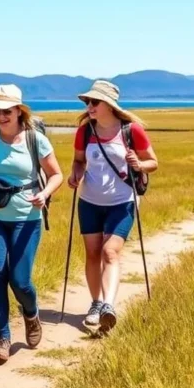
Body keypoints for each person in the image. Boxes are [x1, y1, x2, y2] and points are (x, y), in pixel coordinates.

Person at [0, 85, 63, 363]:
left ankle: (31, 315)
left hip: (27, 219)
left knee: (20, 281)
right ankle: (3, 338)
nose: (0, 116)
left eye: (6, 111)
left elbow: (56, 174)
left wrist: (45, 194)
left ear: (19, 111)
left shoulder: (36, 140)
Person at [67, 80, 158, 333]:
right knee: (93, 254)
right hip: (89, 202)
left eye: (94, 102)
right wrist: (75, 175)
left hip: (122, 202)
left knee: (110, 252)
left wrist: (139, 165)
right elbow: (78, 161)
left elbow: (153, 162)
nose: (90, 106)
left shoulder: (131, 130)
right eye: (88, 102)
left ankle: (109, 305)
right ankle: (96, 304)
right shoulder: (85, 131)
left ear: (108, 104)